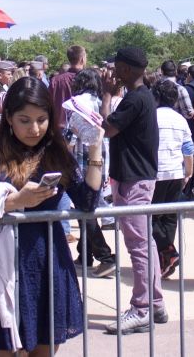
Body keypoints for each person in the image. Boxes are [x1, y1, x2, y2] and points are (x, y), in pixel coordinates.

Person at [0, 76, 103, 356]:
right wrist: (13, 201)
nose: (34, 128)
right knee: (4, 350)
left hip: (48, 263)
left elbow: (88, 200)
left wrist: (96, 147)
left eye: (41, 119)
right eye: (24, 120)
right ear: (9, 117)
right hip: (0, 265)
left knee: (44, 350)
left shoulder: (55, 152)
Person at [100, 47, 166, 334]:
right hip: (138, 178)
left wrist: (105, 95)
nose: (113, 73)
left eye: (116, 68)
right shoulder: (141, 96)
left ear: (125, 70)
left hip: (132, 180)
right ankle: (155, 302)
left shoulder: (134, 99)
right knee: (144, 243)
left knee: (138, 246)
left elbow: (106, 127)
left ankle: (141, 308)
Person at [65, 69, 115, 273]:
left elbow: (71, 136)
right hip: (102, 156)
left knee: (85, 206)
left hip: (82, 158)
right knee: (88, 205)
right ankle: (84, 255)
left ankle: (105, 256)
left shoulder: (76, 103)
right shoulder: (102, 102)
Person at [151, 79, 194, 278]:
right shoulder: (180, 119)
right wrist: (188, 171)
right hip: (176, 172)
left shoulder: (151, 117)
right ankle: (167, 258)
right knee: (169, 218)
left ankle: (167, 253)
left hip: (156, 173)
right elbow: (188, 148)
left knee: (149, 217)